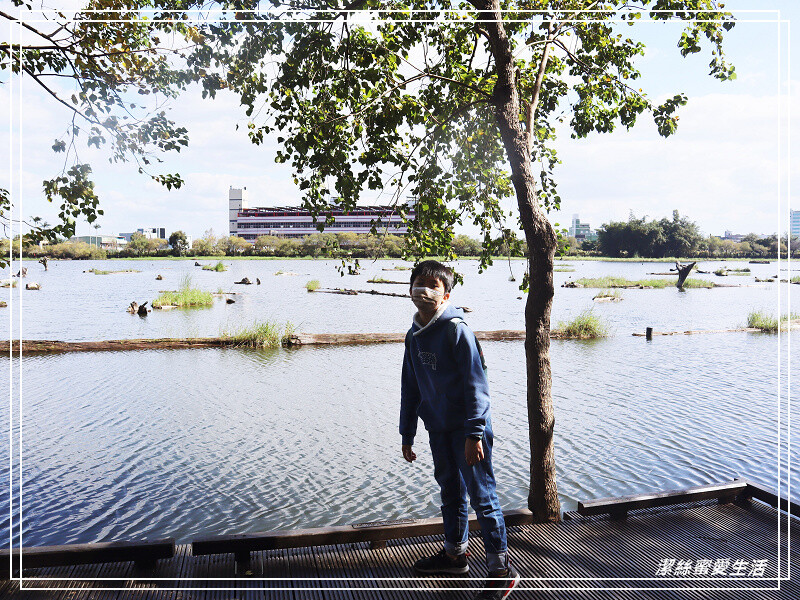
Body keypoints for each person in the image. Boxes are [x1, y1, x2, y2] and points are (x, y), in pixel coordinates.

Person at [400, 260, 520, 599]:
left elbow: (476, 386)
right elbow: (410, 387)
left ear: (446, 294)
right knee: (450, 493)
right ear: (410, 290)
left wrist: (474, 434)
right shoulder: (413, 336)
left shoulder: (457, 331)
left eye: (432, 285)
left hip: (468, 431)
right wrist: (407, 433)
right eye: (418, 283)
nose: (423, 289)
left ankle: (500, 569)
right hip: (437, 427)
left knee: (482, 496)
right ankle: (455, 556)